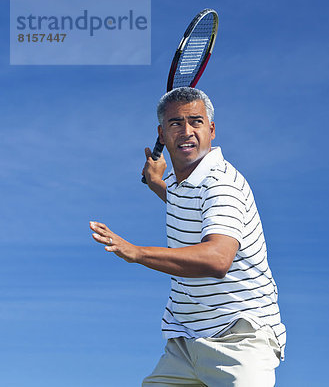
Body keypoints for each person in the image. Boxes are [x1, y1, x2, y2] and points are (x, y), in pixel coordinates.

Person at [90, 87, 285, 386]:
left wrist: (136, 252)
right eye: (175, 123)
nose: (187, 131)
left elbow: (217, 258)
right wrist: (157, 185)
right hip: (184, 343)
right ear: (162, 134)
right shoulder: (182, 184)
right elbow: (191, 207)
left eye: (196, 121)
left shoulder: (222, 184)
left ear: (212, 129)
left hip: (239, 340)